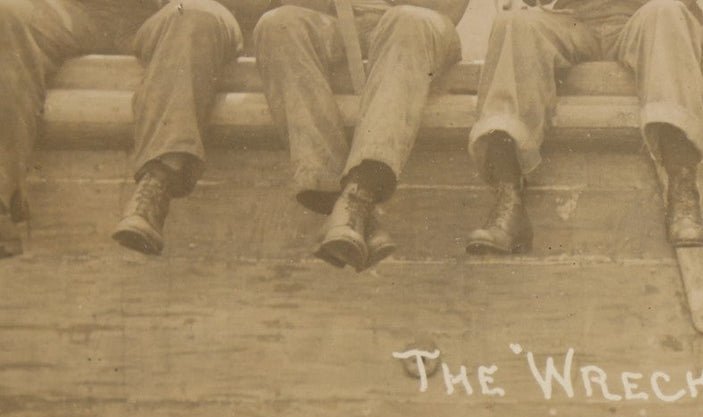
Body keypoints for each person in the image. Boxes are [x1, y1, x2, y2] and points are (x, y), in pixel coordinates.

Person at [467, 0, 703, 257]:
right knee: (513, 22)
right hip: (573, 19)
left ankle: (683, 192)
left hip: (646, 18)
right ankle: (508, 200)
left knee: (667, 10)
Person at [0, 0, 253, 259]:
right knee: (6, 14)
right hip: (83, 11)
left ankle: (156, 188)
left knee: (194, 17)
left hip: (174, 10)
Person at [254, 0, 468, 271]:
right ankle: (346, 204)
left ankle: (358, 193)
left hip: (415, 22)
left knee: (408, 22)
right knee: (277, 25)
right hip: (332, 19)